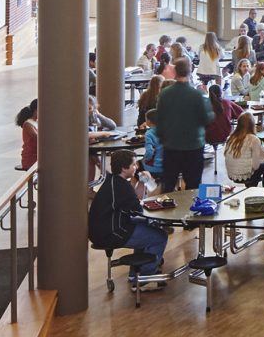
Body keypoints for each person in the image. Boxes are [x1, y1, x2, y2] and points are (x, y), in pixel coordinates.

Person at [86, 148, 169, 279]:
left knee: (149, 225)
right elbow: (139, 209)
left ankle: (135, 273)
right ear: (124, 168)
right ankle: (145, 278)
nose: (136, 167)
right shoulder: (121, 187)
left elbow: (135, 203)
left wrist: (141, 181)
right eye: (134, 164)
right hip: (111, 233)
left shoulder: (114, 181)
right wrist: (149, 184)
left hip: (102, 229)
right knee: (160, 237)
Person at [153, 59, 211, 189]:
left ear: (175, 71)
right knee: (193, 185)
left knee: (168, 184)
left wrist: (163, 139)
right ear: (190, 71)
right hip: (193, 145)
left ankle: (167, 208)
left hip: (171, 146)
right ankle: (190, 209)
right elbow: (206, 119)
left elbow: (159, 119)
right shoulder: (196, 95)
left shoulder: (165, 94)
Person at [222, 112, 264, 183]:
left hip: (231, 173)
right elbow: (256, 165)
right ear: (252, 125)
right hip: (246, 175)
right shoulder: (253, 139)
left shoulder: (230, 137)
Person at [16, 100, 39, 170]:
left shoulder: (36, 122)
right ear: (36, 110)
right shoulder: (28, 124)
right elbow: (38, 139)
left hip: (37, 156)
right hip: (31, 158)